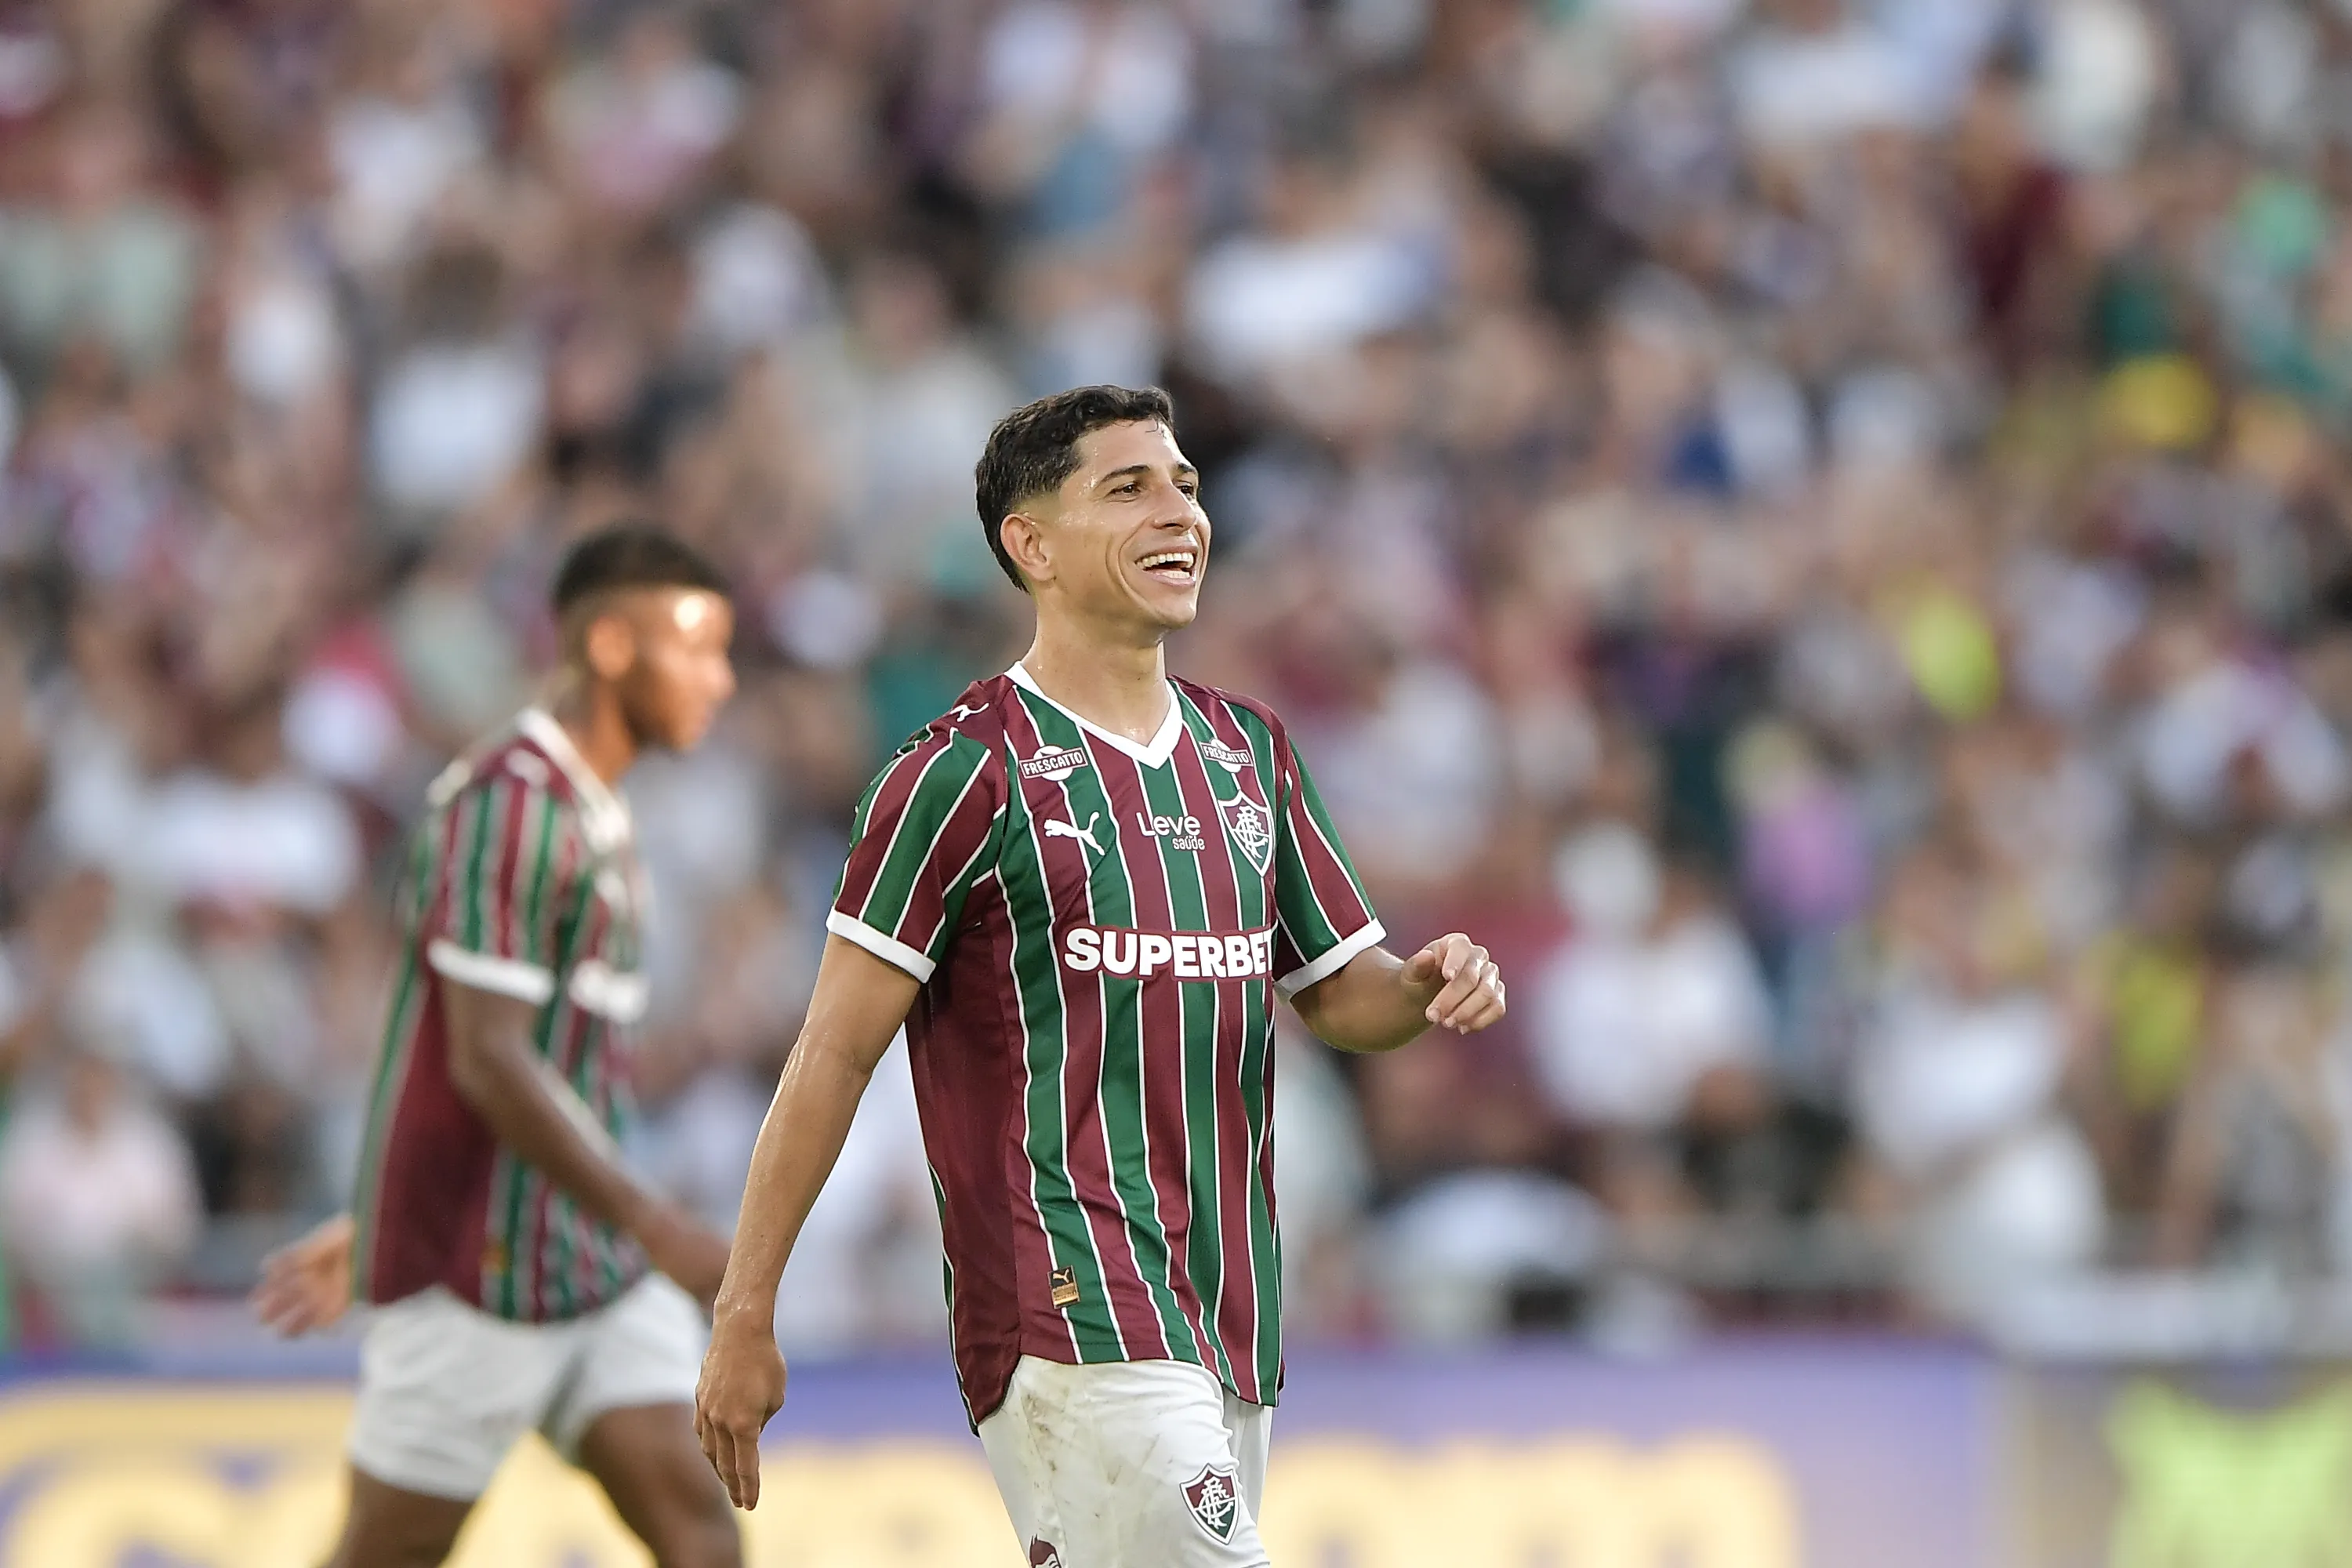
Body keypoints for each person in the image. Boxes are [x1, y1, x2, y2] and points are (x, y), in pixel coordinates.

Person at [692, 386, 1508, 1566]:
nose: (1177, 510)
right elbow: (831, 1052)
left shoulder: (1249, 753)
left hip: (1229, 1313)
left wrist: (1423, 987)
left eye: (1184, 484)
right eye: (1127, 488)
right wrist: (744, 1312)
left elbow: (1339, 993)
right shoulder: (961, 775)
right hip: (1066, 1307)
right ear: (1031, 546)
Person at [250, 524, 743, 1568]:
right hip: (479, 1274)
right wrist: (660, 1224)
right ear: (612, 645)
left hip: (591, 1265)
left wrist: (377, 1202)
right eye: (697, 647)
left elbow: (526, 1068)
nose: (722, 679)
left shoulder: (591, 809)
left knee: (701, 1535)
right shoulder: (511, 804)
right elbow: (486, 1059)